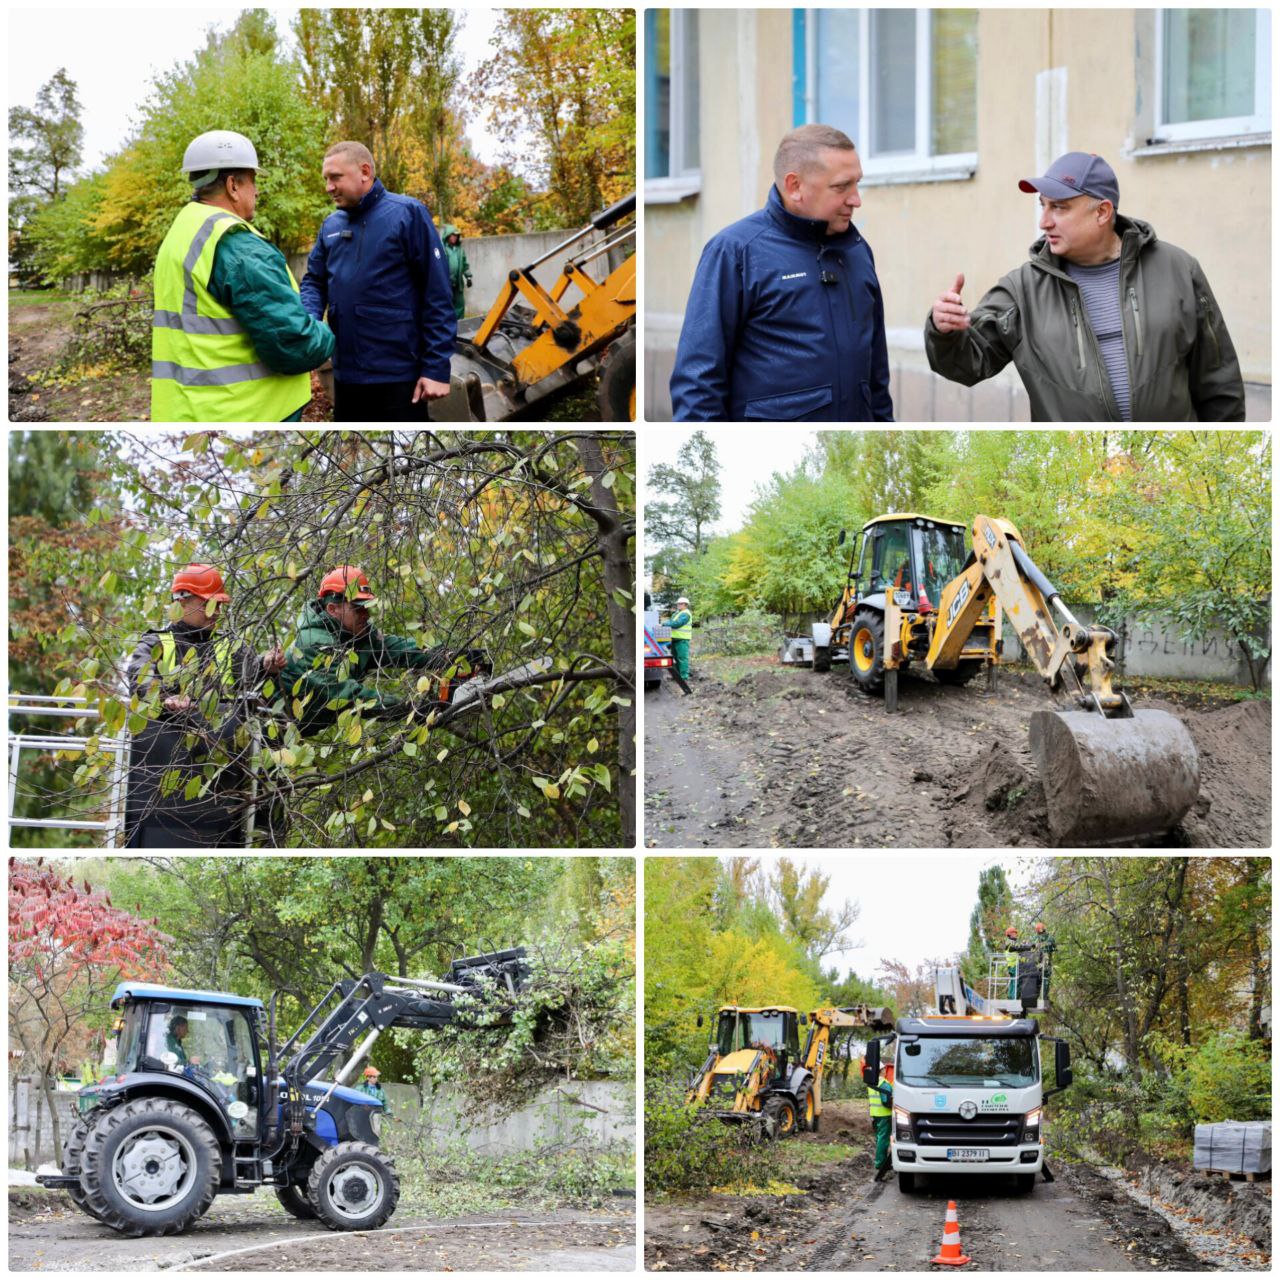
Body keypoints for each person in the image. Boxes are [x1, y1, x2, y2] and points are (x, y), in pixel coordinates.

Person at [925, 151, 1245, 421]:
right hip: (1075, 466)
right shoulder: (1022, 290)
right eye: (1043, 206)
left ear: (1102, 212)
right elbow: (968, 364)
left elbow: (1218, 382)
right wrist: (946, 331)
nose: (1044, 221)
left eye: (1059, 207)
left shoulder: (1177, 269)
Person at [670, 123, 893, 422]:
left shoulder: (857, 251)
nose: (856, 199)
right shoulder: (735, 252)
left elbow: (876, 372)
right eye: (841, 187)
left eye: (857, 184)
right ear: (794, 186)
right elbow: (697, 383)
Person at [151, 131, 335, 423]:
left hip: (190, 410)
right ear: (233, 185)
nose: (257, 191)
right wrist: (328, 332)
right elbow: (294, 344)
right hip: (249, 413)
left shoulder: (183, 231)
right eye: (253, 181)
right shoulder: (238, 246)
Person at [123, 564, 286, 848]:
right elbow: (140, 676)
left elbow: (252, 672)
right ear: (183, 600)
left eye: (219, 605)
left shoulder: (229, 648)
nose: (217, 612)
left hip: (224, 787)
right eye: (210, 604)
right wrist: (164, 699)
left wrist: (266, 665)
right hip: (159, 784)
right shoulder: (156, 643)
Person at [300, 141, 456, 422]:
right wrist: (309, 320)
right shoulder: (331, 226)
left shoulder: (407, 214)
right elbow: (314, 281)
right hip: (346, 375)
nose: (329, 187)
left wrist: (436, 369)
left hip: (399, 376)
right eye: (326, 179)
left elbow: (438, 293)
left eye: (335, 177)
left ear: (364, 171)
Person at [280, 566, 488, 736]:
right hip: (268, 727)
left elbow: (400, 650)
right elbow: (350, 697)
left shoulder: (358, 636)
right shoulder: (314, 643)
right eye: (358, 608)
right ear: (333, 609)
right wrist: (412, 709)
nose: (366, 614)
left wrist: (449, 656)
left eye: (367, 606)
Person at [868, 1061, 893, 1180]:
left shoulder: (872, 1082)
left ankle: (880, 1162)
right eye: (884, 1069)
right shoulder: (884, 1084)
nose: (885, 1070)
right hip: (884, 1115)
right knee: (883, 1139)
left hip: (875, 1114)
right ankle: (880, 1163)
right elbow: (886, 1101)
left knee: (879, 1138)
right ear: (882, 1070)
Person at [441, 225, 472, 321]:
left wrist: (468, 277)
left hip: (458, 283)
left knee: (460, 304)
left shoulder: (460, 250)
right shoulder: (442, 249)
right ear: (447, 236)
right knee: (446, 305)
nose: (454, 237)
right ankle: (448, 325)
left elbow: (465, 265)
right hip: (447, 283)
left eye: (456, 235)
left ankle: (459, 325)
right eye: (452, 235)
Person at [666, 596, 693, 681]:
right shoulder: (678, 613)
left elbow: (677, 623)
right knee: (676, 658)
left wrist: (664, 624)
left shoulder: (685, 614)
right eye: (678, 603)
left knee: (682, 658)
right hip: (675, 639)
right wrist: (667, 623)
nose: (679, 605)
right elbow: (671, 621)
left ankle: (684, 677)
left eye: (681, 604)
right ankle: (677, 676)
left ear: (686, 605)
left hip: (682, 639)